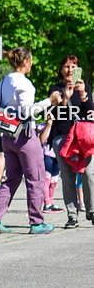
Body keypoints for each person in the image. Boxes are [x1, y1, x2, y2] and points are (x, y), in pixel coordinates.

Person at [0, 47, 54, 235]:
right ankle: (37, 222)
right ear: (25, 62)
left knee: (12, 178)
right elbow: (27, 111)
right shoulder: (25, 83)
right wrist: (49, 101)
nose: (32, 63)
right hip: (24, 135)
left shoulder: (4, 81)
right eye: (30, 60)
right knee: (36, 178)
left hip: (8, 135)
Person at [43, 55, 94, 228]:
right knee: (67, 177)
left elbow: (90, 114)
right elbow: (54, 116)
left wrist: (84, 95)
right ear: (61, 70)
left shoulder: (84, 87)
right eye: (66, 66)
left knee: (88, 173)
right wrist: (65, 98)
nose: (69, 70)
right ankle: (72, 215)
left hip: (82, 139)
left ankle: (91, 210)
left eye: (73, 66)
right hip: (63, 137)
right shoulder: (54, 88)